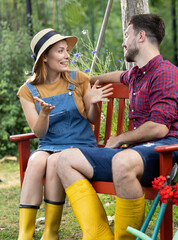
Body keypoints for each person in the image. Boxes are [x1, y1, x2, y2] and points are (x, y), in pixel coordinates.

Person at [57, 13, 178, 240]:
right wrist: (87, 80)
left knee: (123, 160)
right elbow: (119, 75)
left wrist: (120, 138)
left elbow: (160, 128)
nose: (123, 41)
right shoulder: (137, 74)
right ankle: (99, 235)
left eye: (126, 35)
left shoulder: (165, 73)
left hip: (172, 153)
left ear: (141, 36)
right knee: (65, 160)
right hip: (140, 154)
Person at [17, 28, 113, 240]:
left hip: (80, 147)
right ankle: (25, 233)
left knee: (53, 163)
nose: (67, 56)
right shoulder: (28, 90)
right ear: (45, 57)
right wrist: (43, 114)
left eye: (67, 51)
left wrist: (95, 104)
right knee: (35, 161)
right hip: (49, 145)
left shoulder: (78, 79)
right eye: (60, 51)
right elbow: (39, 132)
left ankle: (51, 231)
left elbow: (93, 118)